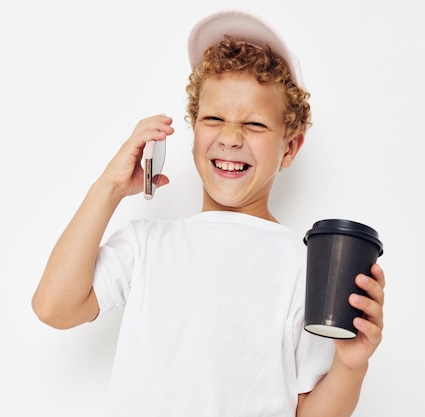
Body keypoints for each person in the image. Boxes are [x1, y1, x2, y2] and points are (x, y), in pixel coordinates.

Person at [32, 9, 385, 417]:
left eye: (254, 124)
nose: (231, 138)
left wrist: (350, 365)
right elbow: (54, 307)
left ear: (290, 148)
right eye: (213, 118)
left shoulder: (308, 266)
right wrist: (109, 187)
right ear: (194, 128)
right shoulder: (147, 245)